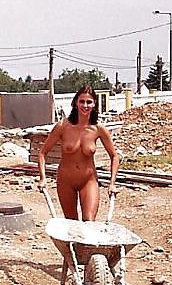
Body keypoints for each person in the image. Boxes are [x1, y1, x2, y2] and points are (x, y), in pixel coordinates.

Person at [37, 84, 120, 221]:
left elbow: (114, 156)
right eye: (82, 101)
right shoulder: (63, 126)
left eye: (89, 102)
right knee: (72, 223)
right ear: (76, 102)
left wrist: (112, 183)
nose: (85, 105)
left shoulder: (98, 129)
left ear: (94, 104)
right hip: (66, 181)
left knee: (89, 221)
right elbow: (42, 153)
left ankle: (87, 243)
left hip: (88, 180)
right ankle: (73, 244)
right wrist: (42, 178)